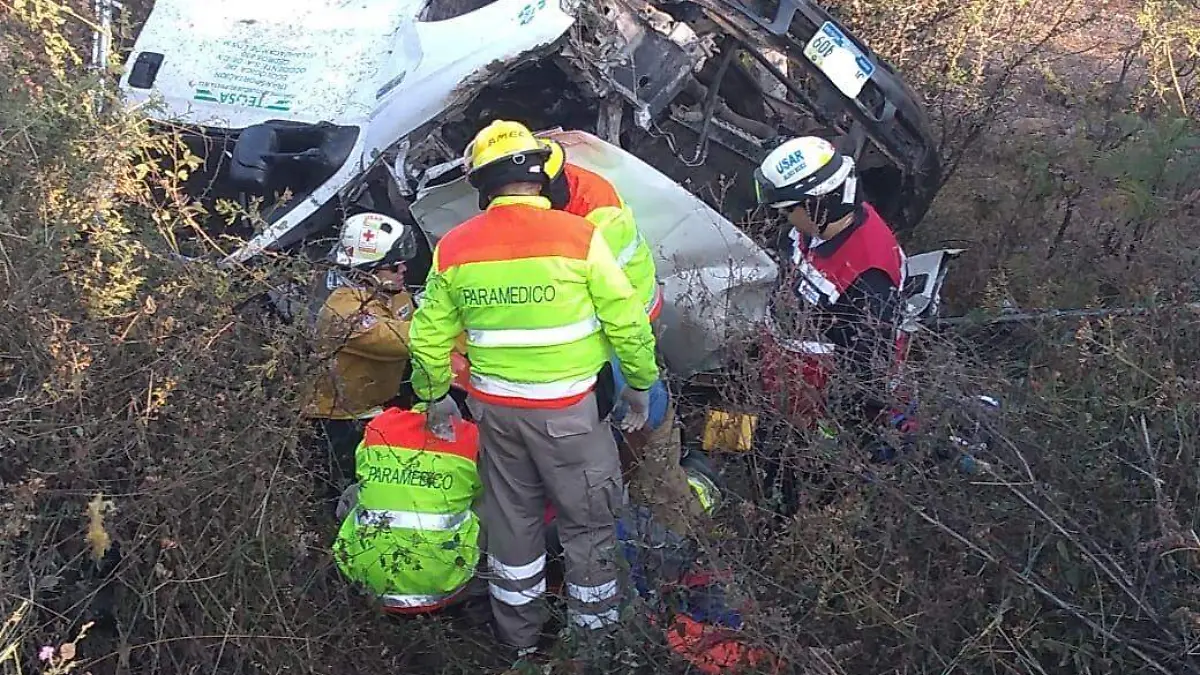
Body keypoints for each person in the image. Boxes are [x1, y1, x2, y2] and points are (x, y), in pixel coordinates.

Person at [406, 119, 660, 663]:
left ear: (482, 185)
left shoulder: (454, 247)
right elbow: (629, 324)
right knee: (588, 523)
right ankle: (595, 644)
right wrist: (640, 386)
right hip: (572, 416)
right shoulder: (582, 237)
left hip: (496, 414)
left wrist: (435, 398)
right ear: (540, 175)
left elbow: (428, 335)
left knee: (512, 523)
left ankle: (519, 641)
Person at [540, 137, 707, 533]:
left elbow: (608, 311)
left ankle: (673, 517)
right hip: (620, 324)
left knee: (645, 414)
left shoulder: (594, 217)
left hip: (619, 327)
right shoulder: (569, 186)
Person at [750, 136, 910, 504]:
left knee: (789, 481)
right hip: (784, 378)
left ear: (818, 205)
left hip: (813, 409)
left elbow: (865, 376)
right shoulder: (821, 228)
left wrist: (821, 433)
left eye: (788, 209)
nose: (783, 217)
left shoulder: (869, 282)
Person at [302, 212, 420, 497]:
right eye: (393, 266)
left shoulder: (394, 292)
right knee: (345, 494)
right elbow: (403, 340)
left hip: (378, 407)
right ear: (366, 271)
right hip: (339, 420)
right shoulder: (345, 313)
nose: (403, 270)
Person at [332, 406, 485, 615]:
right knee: (495, 504)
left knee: (356, 492)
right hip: (444, 586)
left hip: (365, 582)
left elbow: (361, 466)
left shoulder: (380, 426)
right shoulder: (471, 437)